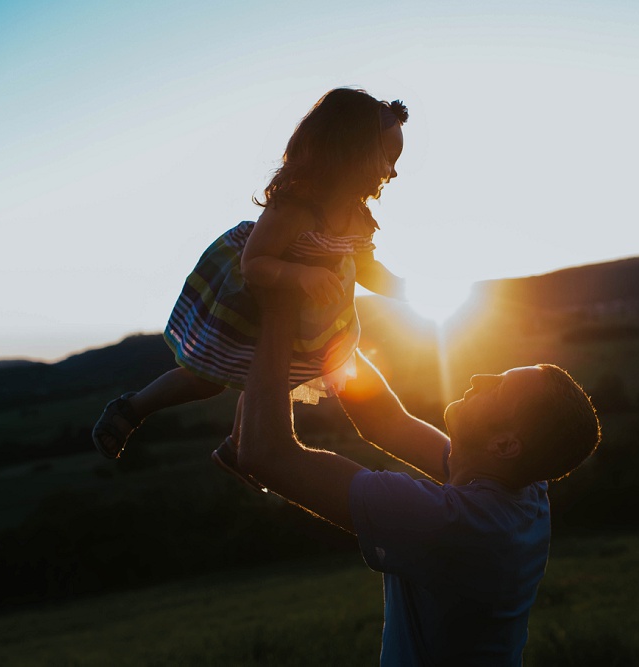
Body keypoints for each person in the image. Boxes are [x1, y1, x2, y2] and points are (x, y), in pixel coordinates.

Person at [236, 287, 602, 666]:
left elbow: (267, 455)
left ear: (505, 445)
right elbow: (385, 421)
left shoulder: (455, 525)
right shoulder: (525, 489)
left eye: (498, 389)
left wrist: (278, 304)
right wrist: (326, 329)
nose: (480, 377)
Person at [92, 88, 409, 466]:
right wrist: (301, 275)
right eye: (387, 158)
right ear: (349, 150)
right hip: (253, 302)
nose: (392, 171)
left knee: (277, 381)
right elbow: (254, 262)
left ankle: (239, 447)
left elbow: (367, 266)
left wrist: (405, 290)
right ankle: (133, 408)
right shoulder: (295, 206)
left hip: (308, 319)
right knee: (205, 379)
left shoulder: (357, 217)